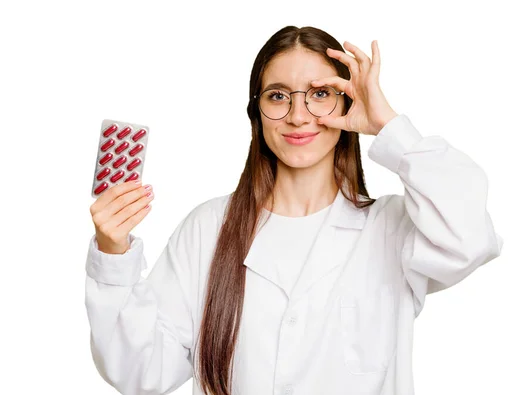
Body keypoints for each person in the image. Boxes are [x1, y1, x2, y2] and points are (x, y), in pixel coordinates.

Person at [85, 25, 503, 395]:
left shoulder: (392, 228)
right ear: (258, 112)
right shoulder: (209, 228)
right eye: (278, 96)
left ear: (346, 102)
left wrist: (387, 124)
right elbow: (140, 372)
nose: (298, 115)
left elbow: (470, 238)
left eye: (320, 94)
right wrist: (112, 253)